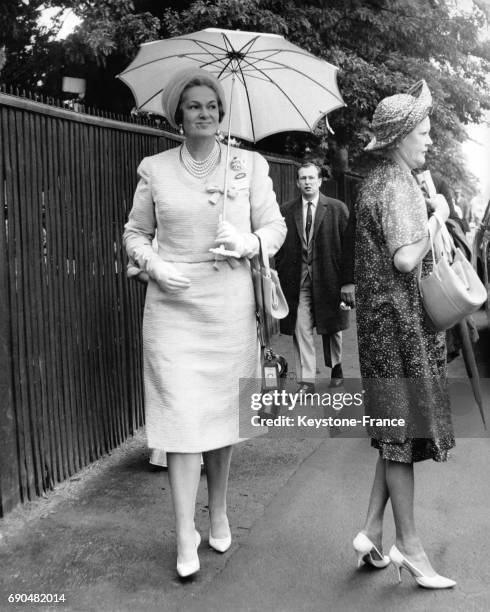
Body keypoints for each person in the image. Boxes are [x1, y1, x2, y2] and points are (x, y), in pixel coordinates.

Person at [123, 67, 286, 578]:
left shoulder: (249, 165)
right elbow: (133, 234)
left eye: (212, 105)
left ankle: (217, 510)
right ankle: (183, 533)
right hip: (172, 307)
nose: (204, 112)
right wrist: (154, 264)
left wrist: (250, 243)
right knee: (181, 422)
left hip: (230, 306)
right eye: (193, 105)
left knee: (221, 420)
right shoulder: (155, 168)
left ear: (221, 113)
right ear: (178, 114)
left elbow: (274, 226)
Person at [353, 80, 456, 589]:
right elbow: (406, 258)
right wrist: (436, 219)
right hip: (396, 331)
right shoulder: (397, 184)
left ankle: (372, 531)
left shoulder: (379, 180)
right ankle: (410, 547)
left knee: (394, 431)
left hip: (382, 328)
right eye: (423, 131)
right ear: (400, 137)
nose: (429, 139)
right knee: (400, 440)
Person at [275, 162, 355, 392]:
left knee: (332, 328)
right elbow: (279, 246)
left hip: (330, 278)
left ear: (320, 181)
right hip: (297, 281)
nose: (307, 182)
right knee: (301, 329)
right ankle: (306, 381)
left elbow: (349, 247)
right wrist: (282, 271)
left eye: (311, 178)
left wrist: (348, 281)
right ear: (297, 182)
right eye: (303, 178)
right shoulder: (286, 210)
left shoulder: (337, 209)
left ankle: (336, 367)